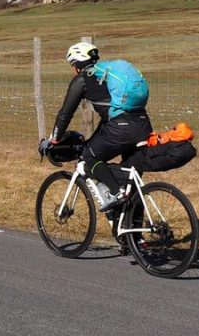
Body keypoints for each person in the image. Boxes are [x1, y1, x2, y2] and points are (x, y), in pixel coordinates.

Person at [39, 41, 152, 210]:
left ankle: (116, 192)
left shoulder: (83, 79)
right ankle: (134, 234)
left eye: (72, 65)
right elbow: (109, 116)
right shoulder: (106, 75)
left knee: (88, 158)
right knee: (131, 182)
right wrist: (92, 141)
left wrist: (53, 140)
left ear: (77, 64)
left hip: (121, 128)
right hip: (143, 125)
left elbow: (65, 114)